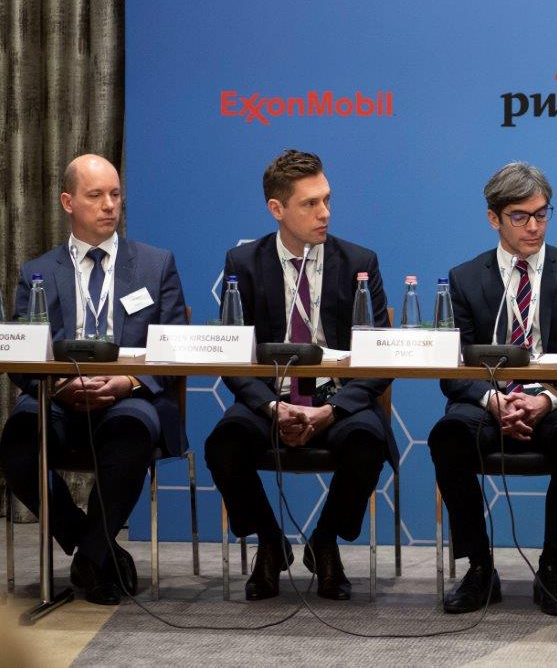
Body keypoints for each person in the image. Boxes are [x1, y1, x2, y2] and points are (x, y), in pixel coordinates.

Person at [204, 149, 394, 602]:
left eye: (326, 199)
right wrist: (273, 407)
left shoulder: (360, 262)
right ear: (277, 209)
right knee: (224, 444)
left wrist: (331, 410)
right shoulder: (243, 263)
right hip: (269, 400)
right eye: (310, 203)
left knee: (369, 441)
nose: (324, 212)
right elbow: (231, 355)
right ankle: (271, 543)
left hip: (337, 401)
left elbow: (380, 356)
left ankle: (324, 542)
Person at [0, 154, 187, 604]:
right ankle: (95, 547)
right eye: (96, 195)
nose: (109, 205)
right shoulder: (38, 272)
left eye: (115, 194)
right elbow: (21, 353)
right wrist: (59, 386)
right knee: (18, 441)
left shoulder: (155, 265)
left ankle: (91, 557)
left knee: (132, 431)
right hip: (58, 395)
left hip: (129, 395)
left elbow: (175, 347)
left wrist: (127, 381)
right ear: (68, 202)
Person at [428, 162, 557, 616]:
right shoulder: (464, 278)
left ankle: (551, 567)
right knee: (448, 435)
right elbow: (451, 368)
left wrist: (544, 399)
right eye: (520, 216)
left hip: (554, 401)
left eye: (542, 214)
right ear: (494, 218)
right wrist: (494, 399)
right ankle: (479, 568)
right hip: (488, 401)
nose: (534, 226)